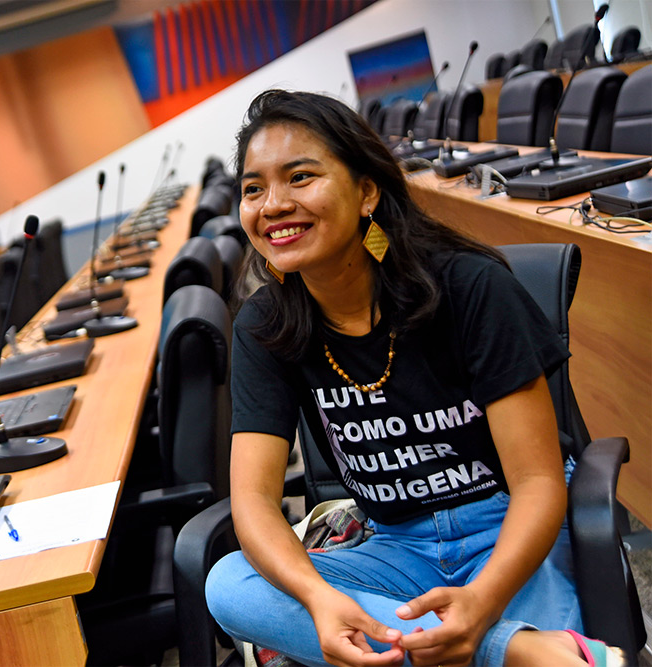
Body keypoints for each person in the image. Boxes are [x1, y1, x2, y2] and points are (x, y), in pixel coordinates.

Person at [204, 89, 624, 667]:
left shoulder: (469, 286)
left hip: (507, 525)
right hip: (396, 545)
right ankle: (512, 649)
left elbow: (537, 483)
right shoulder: (266, 324)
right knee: (229, 583)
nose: (272, 205)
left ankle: (475, 640)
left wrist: (482, 601)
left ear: (367, 191)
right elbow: (252, 499)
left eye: (300, 177)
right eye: (254, 189)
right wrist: (318, 599)